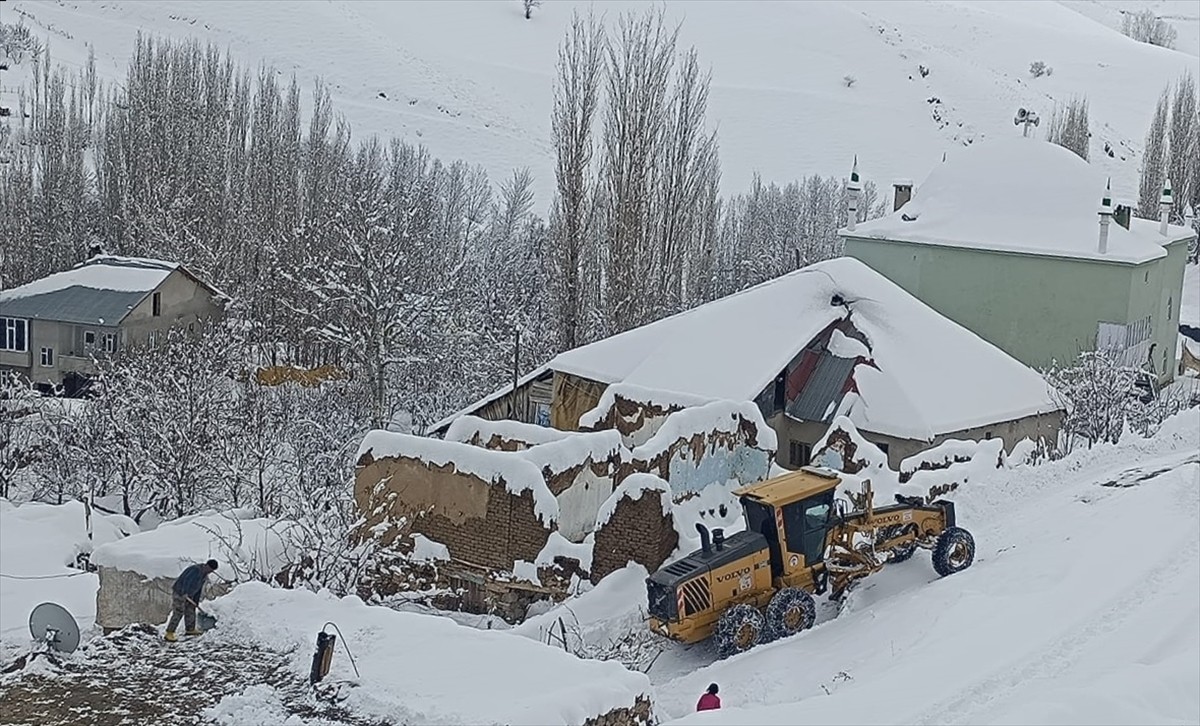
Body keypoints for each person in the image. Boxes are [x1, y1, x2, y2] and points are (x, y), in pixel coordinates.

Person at [164, 559, 218, 642]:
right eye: (210, 569)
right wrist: (184, 592)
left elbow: (198, 589)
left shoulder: (204, 575)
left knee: (191, 610)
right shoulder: (195, 570)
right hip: (180, 592)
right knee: (179, 611)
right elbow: (186, 581)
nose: (210, 572)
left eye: (212, 571)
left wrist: (195, 601)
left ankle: (190, 629)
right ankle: (169, 632)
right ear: (207, 565)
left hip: (190, 594)